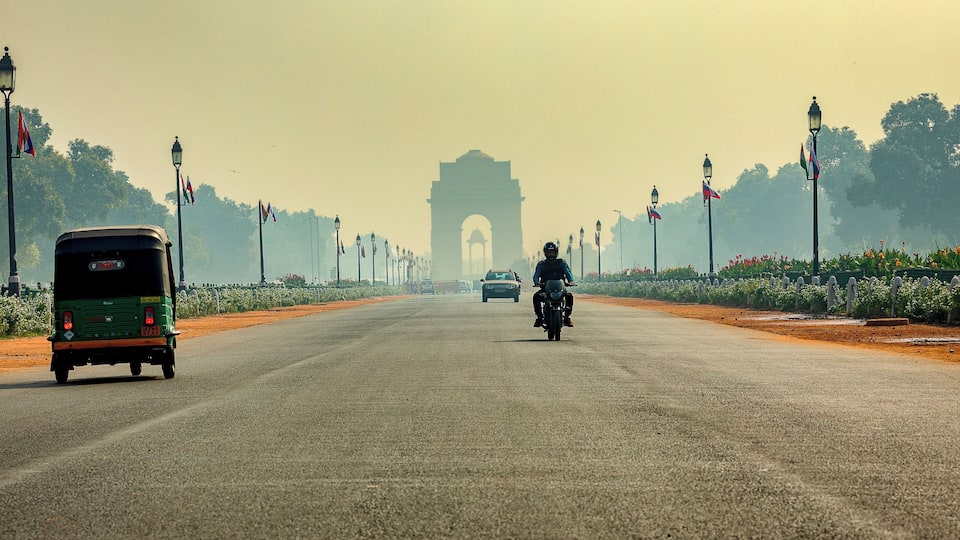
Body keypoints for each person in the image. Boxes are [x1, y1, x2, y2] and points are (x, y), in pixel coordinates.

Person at [532, 241, 575, 327]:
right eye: (549, 252)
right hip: (546, 289)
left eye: (553, 252)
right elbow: (536, 276)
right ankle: (539, 318)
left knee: (569, 296)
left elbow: (568, 273)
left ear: (556, 252)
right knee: (536, 297)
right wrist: (536, 282)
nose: (551, 254)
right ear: (545, 253)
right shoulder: (542, 264)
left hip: (560, 288)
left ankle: (567, 317)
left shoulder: (561, 263)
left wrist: (571, 281)